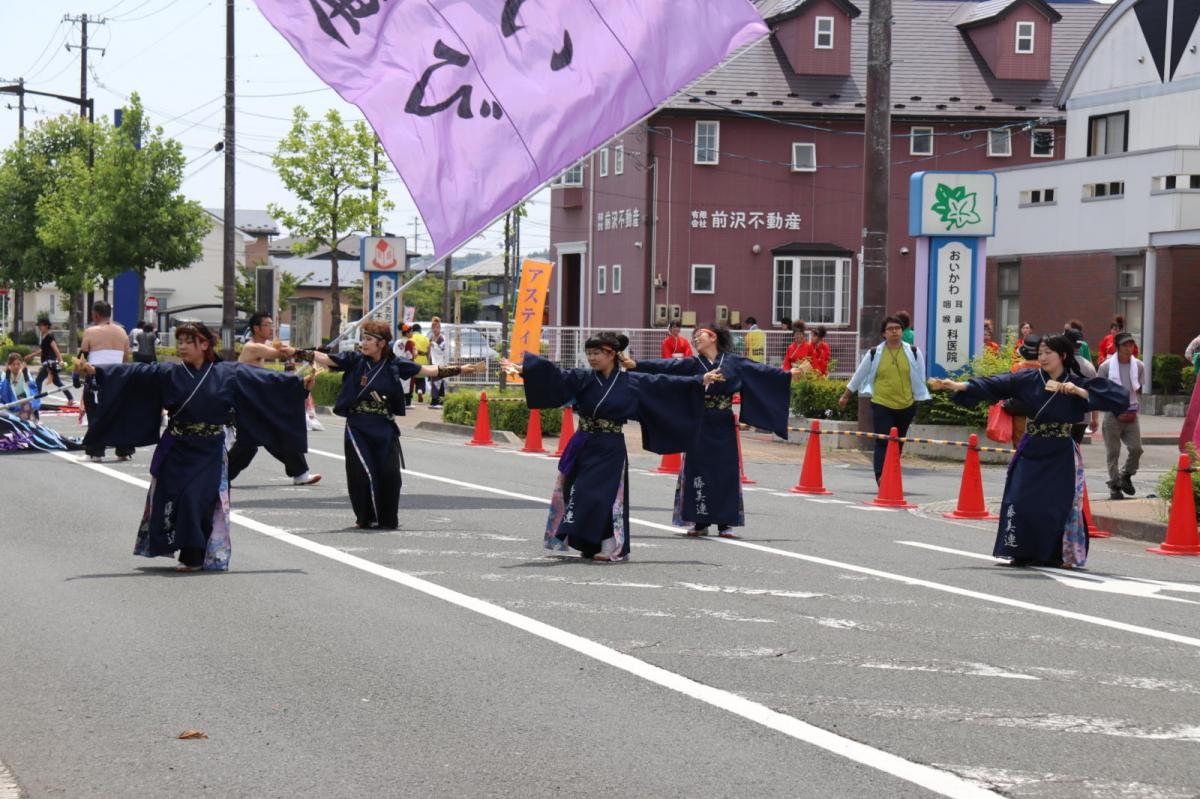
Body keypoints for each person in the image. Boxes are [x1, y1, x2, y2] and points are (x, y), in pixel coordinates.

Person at [74, 322, 310, 571]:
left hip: (209, 449)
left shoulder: (227, 373)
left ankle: (193, 556)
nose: (182, 347)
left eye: (188, 342)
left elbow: (264, 381)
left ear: (204, 345)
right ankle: (180, 548)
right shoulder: (169, 373)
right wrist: (95, 371)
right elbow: (133, 374)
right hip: (177, 445)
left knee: (195, 498)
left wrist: (297, 385)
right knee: (172, 499)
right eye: (181, 342)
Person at [504, 332, 709, 560]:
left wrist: (698, 380)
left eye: (597, 353)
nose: (592, 358)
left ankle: (609, 542)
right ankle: (588, 543)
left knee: (603, 495)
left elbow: (664, 384)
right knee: (576, 491)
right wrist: (525, 370)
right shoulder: (583, 378)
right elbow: (556, 376)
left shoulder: (631, 381)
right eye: (589, 353)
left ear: (611, 355)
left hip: (610, 445)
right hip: (583, 442)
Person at [930, 335, 1128, 568]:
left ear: (1062, 356)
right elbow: (996, 383)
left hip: (1060, 452)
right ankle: (1021, 551)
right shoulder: (1028, 379)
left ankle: (1054, 554)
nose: (1042, 358)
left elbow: (1119, 398)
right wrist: (960, 385)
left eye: (1048, 353)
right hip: (1032, 447)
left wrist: (1079, 392)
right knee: (1019, 499)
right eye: (1040, 354)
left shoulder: (1076, 383)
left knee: (1055, 505)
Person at [621, 324, 800, 539]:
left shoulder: (733, 362)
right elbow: (666, 367)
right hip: (698, 422)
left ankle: (726, 523)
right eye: (694, 337)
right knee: (697, 469)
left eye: (700, 336)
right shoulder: (693, 364)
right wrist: (637, 365)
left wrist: (787, 375)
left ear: (713, 337)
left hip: (723, 422)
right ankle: (699, 520)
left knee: (725, 470)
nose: (696, 340)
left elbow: (761, 371)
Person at [308, 320, 483, 530]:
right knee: (361, 472)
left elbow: (426, 370)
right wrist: (297, 353)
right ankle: (365, 517)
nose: (364, 343)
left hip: (384, 427)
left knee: (390, 474)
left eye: (369, 339)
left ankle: (387, 519)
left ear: (381, 343)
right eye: (363, 338)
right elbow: (327, 358)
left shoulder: (394, 365)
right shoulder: (355, 360)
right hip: (358, 426)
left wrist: (459, 369)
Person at [228, 312, 322, 486]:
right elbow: (281, 354)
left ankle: (300, 473)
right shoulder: (252, 347)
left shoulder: (262, 346)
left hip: (256, 400)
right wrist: (314, 354)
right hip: (247, 401)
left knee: (271, 436)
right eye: (267, 325)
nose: (271, 328)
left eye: (272, 325)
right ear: (256, 328)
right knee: (250, 443)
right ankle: (221, 476)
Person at [839, 316, 931, 482]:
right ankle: (882, 476)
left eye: (897, 328)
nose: (894, 331)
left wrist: (919, 398)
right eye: (890, 329)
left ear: (902, 331)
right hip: (882, 404)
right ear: (884, 334)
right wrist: (846, 394)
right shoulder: (875, 353)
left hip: (906, 405)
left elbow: (920, 378)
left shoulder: (914, 352)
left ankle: (893, 474)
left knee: (898, 443)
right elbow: (860, 374)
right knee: (883, 441)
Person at [79, 301, 134, 463]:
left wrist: (78, 375)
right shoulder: (123, 333)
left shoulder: (90, 332)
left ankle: (96, 452)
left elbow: (82, 358)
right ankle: (124, 450)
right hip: (117, 377)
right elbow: (125, 359)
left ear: (95, 314)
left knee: (95, 414)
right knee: (118, 414)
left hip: (96, 376)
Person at [1097, 332, 1145, 500]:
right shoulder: (1106, 366)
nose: (1128, 348)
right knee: (1113, 452)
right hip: (1112, 414)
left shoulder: (1139, 365)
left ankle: (1126, 474)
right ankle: (1115, 485)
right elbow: (1099, 389)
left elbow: (1138, 389)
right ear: (1117, 347)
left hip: (1131, 413)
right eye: (1125, 345)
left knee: (1136, 449)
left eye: (1131, 345)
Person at [29, 318, 75, 407]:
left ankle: (36, 400)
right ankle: (70, 398)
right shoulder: (45, 337)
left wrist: (61, 361)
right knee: (57, 382)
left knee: (38, 380)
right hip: (49, 363)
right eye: (39, 326)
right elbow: (42, 350)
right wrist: (31, 355)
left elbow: (56, 349)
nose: (39, 327)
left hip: (50, 364)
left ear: (46, 326)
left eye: (41, 325)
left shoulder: (49, 337)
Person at [1063, 328, 1098, 441]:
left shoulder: (1060, 363)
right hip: (1083, 417)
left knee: (1062, 451)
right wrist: (1095, 419)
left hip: (1063, 415)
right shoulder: (1089, 366)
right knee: (1075, 447)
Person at [1, 353, 40, 421]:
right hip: (9, 403)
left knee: (26, 407)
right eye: (13, 364)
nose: (16, 366)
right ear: (9, 365)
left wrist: (26, 377)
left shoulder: (25, 373)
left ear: (21, 364)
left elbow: (32, 390)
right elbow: (4, 393)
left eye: (18, 364)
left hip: (23, 402)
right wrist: (7, 377)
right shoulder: (5, 374)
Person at [428, 316, 449, 409]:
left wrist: (434, 345)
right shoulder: (431, 337)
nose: (435, 329)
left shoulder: (442, 338)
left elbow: (443, 350)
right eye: (434, 327)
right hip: (433, 362)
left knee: (438, 381)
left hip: (440, 362)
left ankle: (436, 400)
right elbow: (429, 350)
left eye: (437, 327)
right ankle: (438, 400)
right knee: (435, 381)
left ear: (440, 328)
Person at [410, 323, 431, 403]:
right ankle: (420, 391)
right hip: (423, 360)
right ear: (420, 330)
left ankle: (409, 396)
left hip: (412, 360)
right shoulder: (425, 338)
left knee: (412, 379)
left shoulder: (410, 338)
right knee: (421, 379)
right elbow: (428, 350)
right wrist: (429, 361)